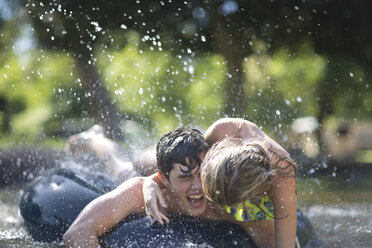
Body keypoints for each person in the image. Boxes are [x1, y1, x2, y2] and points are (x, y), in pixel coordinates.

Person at [63, 123, 274, 248]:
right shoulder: (141, 192)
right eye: (186, 178)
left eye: (202, 175)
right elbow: (76, 234)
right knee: (125, 167)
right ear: (163, 180)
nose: (198, 187)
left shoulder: (230, 203)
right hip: (151, 171)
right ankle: (95, 138)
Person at [144, 118, 297, 248]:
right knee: (147, 163)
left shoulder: (283, 180)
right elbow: (188, 165)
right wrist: (151, 182)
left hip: (266, 188)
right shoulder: (220, 131)